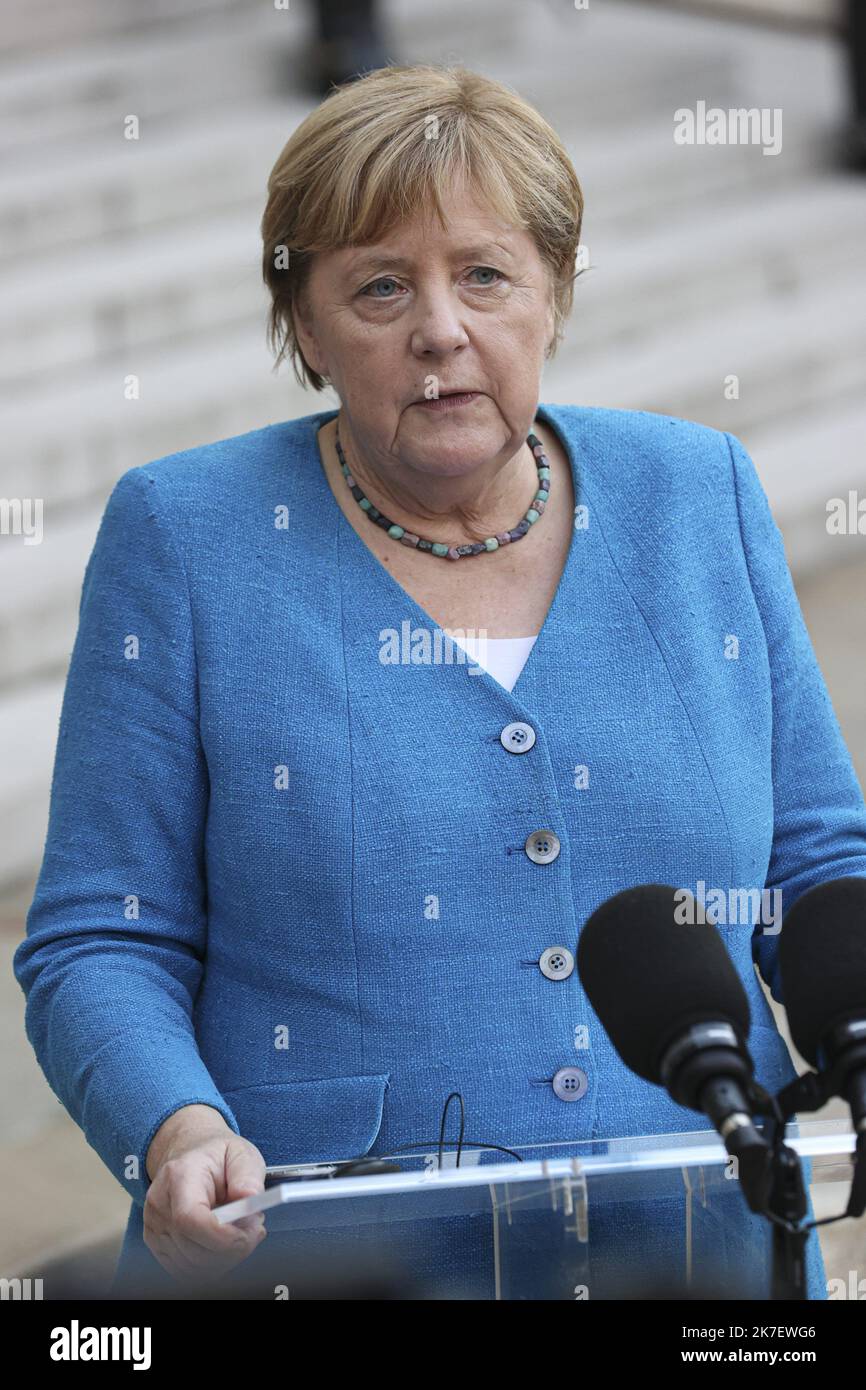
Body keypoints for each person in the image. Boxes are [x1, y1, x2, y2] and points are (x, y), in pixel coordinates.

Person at [14, 63, 866, 1300]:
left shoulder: (700, 495)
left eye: (483, 273)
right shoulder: (185, 540)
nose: (439, 328)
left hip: (693, 1259)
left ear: (553, 293)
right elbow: (101, 937)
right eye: (376, 285)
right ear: (301, 325)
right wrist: (176, 1128)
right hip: (330, 1265)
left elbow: (813, 862)